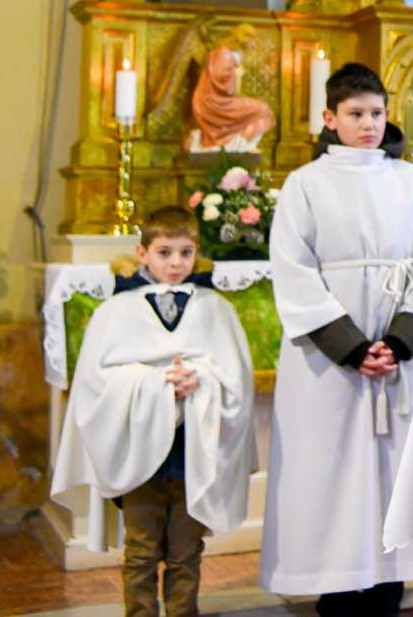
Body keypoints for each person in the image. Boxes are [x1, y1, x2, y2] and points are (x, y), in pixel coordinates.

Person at [259, 62, 413, 614]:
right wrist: (354, 348)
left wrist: (398, 343)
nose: (369, 124)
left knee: (399, 470)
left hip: (403, 357)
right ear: (330, 118)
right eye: (355, 114)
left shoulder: (412, 181)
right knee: (333, 470)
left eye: (377, 113)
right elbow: (294, 270)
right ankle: (339, 588)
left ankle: (391, 582)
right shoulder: (305, 185)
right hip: (330, 364)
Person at [51, 205, 256, 617]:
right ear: (142, 253)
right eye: (164, 252)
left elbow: (237, 377)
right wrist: (153, 383)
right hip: (138, 456)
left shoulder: (216, 309)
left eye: (185, 252)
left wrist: (201, 378)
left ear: (196, 253)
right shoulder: (115, 312)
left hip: (191, 454)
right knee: (141, 553)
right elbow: (95, 382)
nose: (176, 263)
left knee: (186, 551)